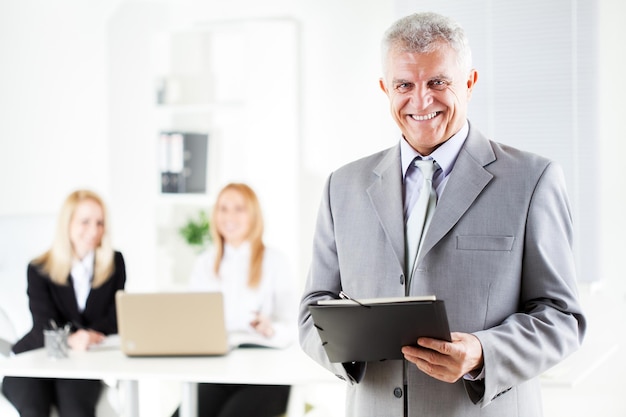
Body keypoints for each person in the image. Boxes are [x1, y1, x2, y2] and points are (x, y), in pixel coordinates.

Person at [298, 11, 586, 417]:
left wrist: (484, 353)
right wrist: (347, 349)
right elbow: (314, 308)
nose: (421, 100)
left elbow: (562, 317)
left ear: (469, 83)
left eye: (438, 82)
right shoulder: (342, 186)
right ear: (385, 89)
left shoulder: (532, 180)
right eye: (404, 85)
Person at [171, 182, 297, 417]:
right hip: (218, 371)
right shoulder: (204, 264)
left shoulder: (275, 262)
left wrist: (271, 330)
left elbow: (294, 326)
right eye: (223, 208)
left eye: (239, 209)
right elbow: (191, 321)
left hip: (266, 375)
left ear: (253, 215)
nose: (229, 216)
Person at [2, 189, 126, 417]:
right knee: (33, 409)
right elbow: (44, 323)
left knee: (76, 409)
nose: (94, 231)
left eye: (100, 223)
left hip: (80, 362)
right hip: (35, 355)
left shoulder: (113, 263)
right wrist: (75, 337)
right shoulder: (39, 269)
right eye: (85, 222)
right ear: (67, 224)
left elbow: (114, 319)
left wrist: (86, 338)